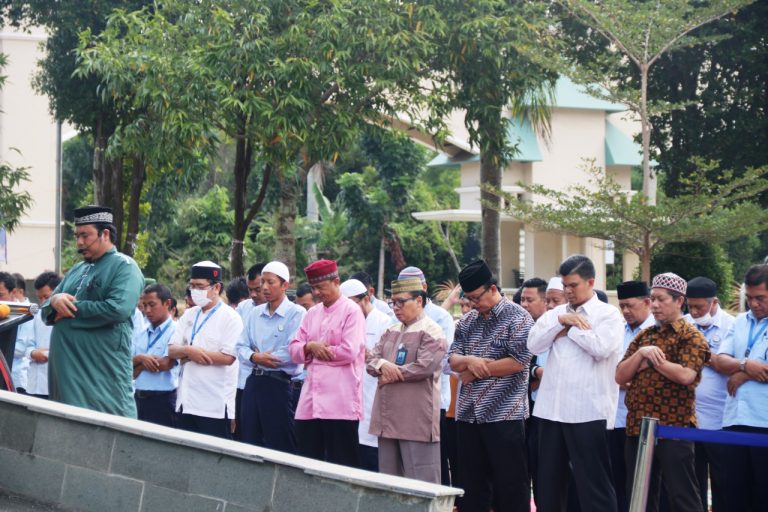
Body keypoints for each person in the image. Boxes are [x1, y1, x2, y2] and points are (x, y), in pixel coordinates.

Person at [528, 255, 624, 512]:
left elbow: (602, 348)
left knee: (595, 488)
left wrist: (571, 329)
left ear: (590, 282)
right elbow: (533, 344)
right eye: (565, 286)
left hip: (588, 412)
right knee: (548, 488)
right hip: (551, 411)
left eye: (573, 285)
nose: (568, 291)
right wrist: (561, 321)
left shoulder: (608, 314)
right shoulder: (556, 313)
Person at [616, 272, 709, 512]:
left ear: (679, 301)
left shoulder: (692, 336)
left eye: (661, 299)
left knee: (682, 495)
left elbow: (686, 375)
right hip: (638, 427)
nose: (655, 305)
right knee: (639, 499)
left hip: (674, 427)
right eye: (652, 299)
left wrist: (653, 362)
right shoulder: (644, 336)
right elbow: (619, 376)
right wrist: (641, 355)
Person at [41, 205, 144, 416]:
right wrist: (55, 301)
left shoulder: (125, 267)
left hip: (100, 371)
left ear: (105, 234)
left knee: (109, 431)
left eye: (85, 236)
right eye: (77, 236)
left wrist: (70, 308)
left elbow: (118, 309)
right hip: (67, 372)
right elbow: (44, 311)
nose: (79, 243)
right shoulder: (78, 269)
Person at [448, 260, 533, 512]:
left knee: (511, 486)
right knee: (471, 486)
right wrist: (470, 361)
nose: (473, 304)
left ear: (493, 288)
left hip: (504, 414)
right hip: (468, 415)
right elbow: (453, 359)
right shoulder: (466, 322)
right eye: (469, 299)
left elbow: (519, 361)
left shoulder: (518, 317)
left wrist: (473, 373)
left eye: (476, 298)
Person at [367, 277, 447, 483]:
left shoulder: (432, 331)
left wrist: (388, 373)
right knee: (390, 482)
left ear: (419, 300)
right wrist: (383, 365)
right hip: (387, 416)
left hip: (416, 418)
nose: (396, 307)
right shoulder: (391, 330)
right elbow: (371, 360)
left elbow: (424, 367)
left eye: (402, 302)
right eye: (394, 302)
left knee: (422, 482)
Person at [289, 259, 366, 466]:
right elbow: (294, 349)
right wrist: (310, 347)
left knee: (343, 464)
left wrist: (315, 352)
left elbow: (349, 351)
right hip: (310, 401)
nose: (316, 293)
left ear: (336, 282)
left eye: (320, 287)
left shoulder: (352, 310)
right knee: (307, 461)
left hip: (340, 402)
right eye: (313, 288)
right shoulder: (312, 313)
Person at [711, 264, 768, 511]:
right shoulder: (740, 322)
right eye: (750, 298)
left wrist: (742, 374)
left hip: (764, 421)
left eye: (761, 298)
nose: (754, 304)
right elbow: (720, 360)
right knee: (735, 494)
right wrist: (747, 366)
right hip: (734, 419)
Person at [168, 261, 243, 438]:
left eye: (200, 286)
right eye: (192, 285)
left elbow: (228, 357)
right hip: (186, 402)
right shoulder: (189, 314)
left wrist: (188, 353)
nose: (195, 290)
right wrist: (189, 351)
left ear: (216, 287)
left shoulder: (230, 317)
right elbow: (171, 350)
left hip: (214, 405)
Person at [238, 261, 305, 452]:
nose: (265, 288)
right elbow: (241, 346)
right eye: (262, 283)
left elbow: (292, 350)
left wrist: (263, 356)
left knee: (280, 442)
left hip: (280, 384)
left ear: (285, 285)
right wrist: (254, 357)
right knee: (250, 439)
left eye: (271, 282)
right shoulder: (254, 313)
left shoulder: (297, 313)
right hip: (254, 381)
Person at [397, 266, 456, 486]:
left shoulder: (440, 317)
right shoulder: (394, 316)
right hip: (402, 400)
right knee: (407, 463)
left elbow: (438, 358)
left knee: (434, 464)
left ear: (424, 288)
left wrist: (401, 364)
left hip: (432, 400)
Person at [683, 277, 733, 512]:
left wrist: (702, 352)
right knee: (693, 484)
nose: (694, 312)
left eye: (699, 307)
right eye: (690, 306)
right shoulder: (683, 325)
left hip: (721, 420)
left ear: (714, 303)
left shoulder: (732, 326)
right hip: (688, 420)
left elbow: (730, 366)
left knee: (724, 484)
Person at [340, 278, 395, 471]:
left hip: (372, 396)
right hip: (348, 397)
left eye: (352, 304)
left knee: (371, 454)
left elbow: (388, 360)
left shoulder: (384, 322)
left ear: (366, 299)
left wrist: (368, 355)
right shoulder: (344, 323)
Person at [610, 281, 655, 512]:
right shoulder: (618, 328)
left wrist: (623, 377)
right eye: (621, 306)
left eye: (630, 305)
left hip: (645, 422)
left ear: (647, 302)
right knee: (618, 483)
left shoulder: (657, 331)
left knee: (646, 487)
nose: (625, 311)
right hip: (615, 418)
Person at [518, 277, 548, 507]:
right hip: (525, 410)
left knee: (547, 473)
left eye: (530, 300)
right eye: (522, 300)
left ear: (545, 301)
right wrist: (535, 372)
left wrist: (536, 373)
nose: (525, 304)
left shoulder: (552, 329)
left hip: (549, 412)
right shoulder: (522, 328)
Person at [131, 284, 178, 427]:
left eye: (152, 305)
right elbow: (127, 365)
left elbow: (164, 364)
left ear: (167, 304)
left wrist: (138, 366)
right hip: (138, 398)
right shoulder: (141, 331)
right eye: (144, 306)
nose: (147, 311)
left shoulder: (176, 331)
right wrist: (141, 359)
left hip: (162, 401)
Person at [234, 263, 266, 439]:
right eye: (250, 289)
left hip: (270, 384)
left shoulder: (292, 312)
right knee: (245, 435)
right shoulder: (243, 308)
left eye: (258, 289)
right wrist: (251, 353)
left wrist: (250, 351)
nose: (253, 294)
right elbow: (238, 345)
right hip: (242, 382)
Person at [25, 272, 62, 399]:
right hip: (34, 384)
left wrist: (46, 354)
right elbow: (28, 346)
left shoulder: (68, 317)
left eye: (46, 297)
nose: (42, 302)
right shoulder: (37, 316)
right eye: (39, 298)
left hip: (56, 383)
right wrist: (33, 353)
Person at [1, 272, 33, 394]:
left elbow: (20, 348)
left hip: (15, 379)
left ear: (13, 292)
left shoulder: (25, 313)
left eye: (0, 295)